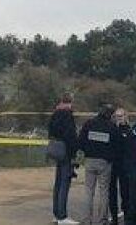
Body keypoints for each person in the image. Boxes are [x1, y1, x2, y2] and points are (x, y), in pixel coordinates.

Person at [79, 104, 119, 225]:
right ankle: (102, 220)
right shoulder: (112, 126)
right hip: (104, 162)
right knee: (104, 192)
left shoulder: (89, 123)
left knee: (88, 191)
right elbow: (116, 145)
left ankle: (86, 220)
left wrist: (87, 152)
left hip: (90, 160)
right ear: (110, 114)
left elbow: (81, 141)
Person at [48, 92, 79, 225]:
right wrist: (74, 153)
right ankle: (62, 215)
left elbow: (50, 131)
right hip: (66, 152)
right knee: (65, 183)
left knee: (58, 182)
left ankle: (56, 214)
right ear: (70, 102)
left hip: (57, 150)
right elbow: (70, 136)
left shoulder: (55, 114)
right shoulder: (67, 115)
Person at [108, 108, 131, 225]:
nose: (119, 118)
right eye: (117, 116)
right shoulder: (112, 129)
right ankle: (114, 217)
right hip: (113, 163)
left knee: (125, 191)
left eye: (121, 116)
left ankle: (126, 215)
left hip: (124, 165)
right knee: (112, 191)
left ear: (125, 117)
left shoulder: (129, 130)